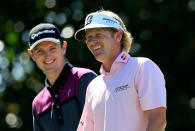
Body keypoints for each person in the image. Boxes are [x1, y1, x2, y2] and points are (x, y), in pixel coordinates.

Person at [75, 9, 167, 131]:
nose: (92, 41)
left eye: (98, 34)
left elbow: (158, 120)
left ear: (118, 35)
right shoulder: (93, 86)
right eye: (89, 37)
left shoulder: (142, 67)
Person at [27, 23, 97, 131]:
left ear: (63, 47)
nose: (47, 55)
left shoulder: (84, 79)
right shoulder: (38, 103)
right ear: (32, 55)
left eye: (52, 48)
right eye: (40, 51)